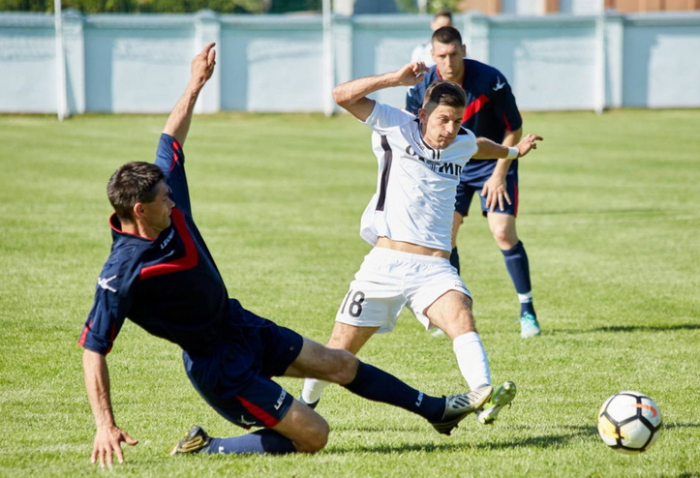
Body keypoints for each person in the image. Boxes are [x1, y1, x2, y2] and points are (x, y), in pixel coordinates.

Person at [78, 43, 496, 468]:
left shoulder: (163, 196)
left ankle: (437, 411)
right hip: (219, 366)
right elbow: (94, 348)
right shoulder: (122, 271)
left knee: (340, 362)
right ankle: (207, 446)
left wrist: (195, 84)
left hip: (239, 323)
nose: (173, 202)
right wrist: (104, 423)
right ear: (139, 211)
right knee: (315, 435)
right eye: (164, 200)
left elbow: (170, 138)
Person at [300, 62, 543, 423]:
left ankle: (482, 395)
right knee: (337, 354)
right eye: (443, 119)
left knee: (461, 317)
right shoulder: (394, 124)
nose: (450, 129)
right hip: (384, 265)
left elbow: (480, 145)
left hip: (433, 270)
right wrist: (394, 80)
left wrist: (513, 152)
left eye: (457, 120)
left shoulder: (460, 141)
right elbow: (341, 96)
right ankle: (304, 406)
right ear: (422, 114)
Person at [406, 26, 541, 339]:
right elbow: (413, 132)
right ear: (432, 56)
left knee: (503, 232)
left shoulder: (490, 80)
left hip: (493, 161)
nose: (449, 61)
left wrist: (498, 174)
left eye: (454, 54)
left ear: (463, 50)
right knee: (444, 241)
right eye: (441, 56)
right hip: (450, 168)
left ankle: (527, 312)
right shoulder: (422, 86)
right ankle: (453, 314)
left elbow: (514, 130)